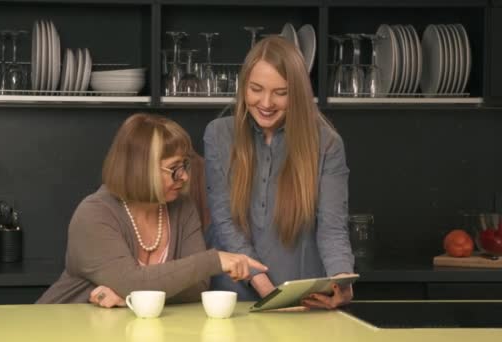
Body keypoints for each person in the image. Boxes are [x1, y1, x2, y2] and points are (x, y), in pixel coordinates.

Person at [37, 113, 267, 307]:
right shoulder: (93, 215)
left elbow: (198, 286)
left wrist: (131, 298)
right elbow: (131, 281)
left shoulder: (181, 207)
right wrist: (213, 260)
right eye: (174, 169)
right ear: (141, 169)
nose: (185, 176)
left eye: (185, 165)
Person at [204, 36, 354, 309]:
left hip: (304, 301)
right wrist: (268, 291)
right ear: (243, 87)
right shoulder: (218, 134)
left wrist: (342, 283)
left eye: (280, 93)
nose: (266, 102)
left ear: (296, 93)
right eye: (256, 89)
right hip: (232, 300)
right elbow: (225, 223)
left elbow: (333, 229)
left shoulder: (328, 144)